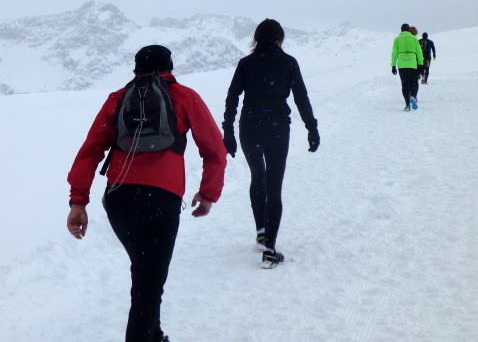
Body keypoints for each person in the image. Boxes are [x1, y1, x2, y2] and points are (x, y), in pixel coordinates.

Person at [66, 45, 227, 342]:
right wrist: (208, 194)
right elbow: (215, 149)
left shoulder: (117, 99)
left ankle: (155, 336)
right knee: (148, 284)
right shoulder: (184, 96)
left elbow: (90, 150)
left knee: (145, 275)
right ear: (170, 69)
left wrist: (78, 201)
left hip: (119, 199)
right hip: (160, 199)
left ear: (135, 71)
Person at [222, 19, 319, 269]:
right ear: (280, 37)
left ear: (257, 37)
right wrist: (312, 127)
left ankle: (262, 233)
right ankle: (269, 251)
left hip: (249, 128)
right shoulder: (288, 62)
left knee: (258, 177)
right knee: (274, 186)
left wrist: (228, 132)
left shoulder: (246, 63)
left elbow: (232, 97)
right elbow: (301, 98)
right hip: (277, 128)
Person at [391, 23, 424, 111]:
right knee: (414, 82)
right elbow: (419, 52)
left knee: (404, 84)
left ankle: (407, 104)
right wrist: (421, 64)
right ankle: (413, 96)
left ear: (401, 30)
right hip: (412, 63)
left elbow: (394, 53)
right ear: (408, 29)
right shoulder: (414, 38)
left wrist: (393, 65)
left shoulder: (397, 39)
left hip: (402, 64)